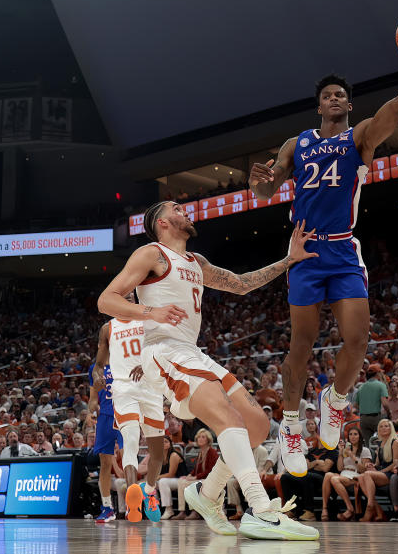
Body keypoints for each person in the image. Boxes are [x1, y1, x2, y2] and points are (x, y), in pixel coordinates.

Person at [251, 31, 398, 474]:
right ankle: (288, 425)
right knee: (300, 346)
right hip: (303, 251)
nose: (336, 98)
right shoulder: (296, 144)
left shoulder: (359, 139)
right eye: (328, 95)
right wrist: (257, 181)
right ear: (319, 105)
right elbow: (268, 189)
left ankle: (334, 401)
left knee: (358, 341)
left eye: (342, 94)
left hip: (342, 249)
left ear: (349, 105)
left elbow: (397, 106)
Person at [98, 201, 319, 540]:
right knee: (228, 421)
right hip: (163, 352)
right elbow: (107, 300)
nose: (184, 209)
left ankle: (207, 493)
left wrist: (289, 259)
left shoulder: (196, 262)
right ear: (161, 222)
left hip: (192, 353)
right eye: (176, 207)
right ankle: (261, 510)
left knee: (257, 427)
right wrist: (149, 312)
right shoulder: (151, 254)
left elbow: (242, 283)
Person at [92, 307, 165, 523]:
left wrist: (147, 363)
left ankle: (149, 492)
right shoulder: (108, 328)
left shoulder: (148, 319)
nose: (129, 298)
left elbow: (164, 347)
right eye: (124, 296)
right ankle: (133, 499)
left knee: (157, 454)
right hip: (123, 389)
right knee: (131, 440)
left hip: (151, 387)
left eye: (132, 295)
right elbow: (98, 365)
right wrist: (97, 377)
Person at [87, 342, 122, 522]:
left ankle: (136, 504)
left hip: (124, 414)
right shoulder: (95, 369)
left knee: (127, 457)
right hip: (105, 418)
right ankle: (107, 507)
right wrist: (90, 412)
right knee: (105, 463)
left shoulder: (123, 361)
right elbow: (93, 398)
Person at [321, 426, 372, 521]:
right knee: (328, 475)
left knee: (334, 479)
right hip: (344, 474)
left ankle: (350, 508)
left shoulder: (365, 450)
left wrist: (353, 457)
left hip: (356, 476)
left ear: (360, 437)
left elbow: (364, 470)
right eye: (350, 434)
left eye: (355, 434)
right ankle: (324, 508)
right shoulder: (345, 450)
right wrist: (340, 453)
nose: (353, 436)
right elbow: (340, 468)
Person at [155, 437, 189, 520]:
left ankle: (169, 509)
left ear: (170, 444)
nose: (163, 444)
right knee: (152, 484)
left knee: (163, 481)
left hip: (181, 480)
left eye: (166, 442)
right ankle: (155, 509)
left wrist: (157, 477)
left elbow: (171, 474)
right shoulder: (160, 456)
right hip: (171, 480)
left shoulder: (174, 455)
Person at [354, 365, 387, 440]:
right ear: (377, 374)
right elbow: (385, 403)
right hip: (375, 418)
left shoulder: (361, 387)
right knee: (382, 441)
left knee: (368, 444)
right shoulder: (381, 385)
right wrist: (389, 413)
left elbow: (356, 405)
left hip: (363, 418)